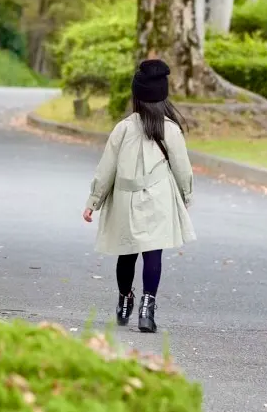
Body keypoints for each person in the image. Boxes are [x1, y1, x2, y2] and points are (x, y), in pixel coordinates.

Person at [82, 58, 195, 333]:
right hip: (158, 198)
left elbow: (106, 167)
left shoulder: (123, 128)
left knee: (126, 253)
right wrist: (186, 197)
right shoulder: (171, 129)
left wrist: (93, 202)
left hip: (125, 198)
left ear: (137, 94)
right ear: (163, 95)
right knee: (153, 254)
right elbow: (182, 167)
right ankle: (148, 310)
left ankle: (124, 300)